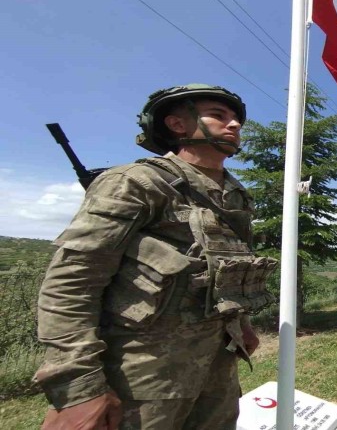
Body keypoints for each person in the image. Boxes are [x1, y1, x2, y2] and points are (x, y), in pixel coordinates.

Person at [34, 84, 278, 430]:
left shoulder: (235, 196)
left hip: (217, 367)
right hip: (144, 378)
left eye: (237, 118)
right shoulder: (137, 182)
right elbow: (72, 282)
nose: (235, 124)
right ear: (178, 125)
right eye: (219, 116)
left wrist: (243, 325)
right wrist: (78, 387)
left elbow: (228, 267)